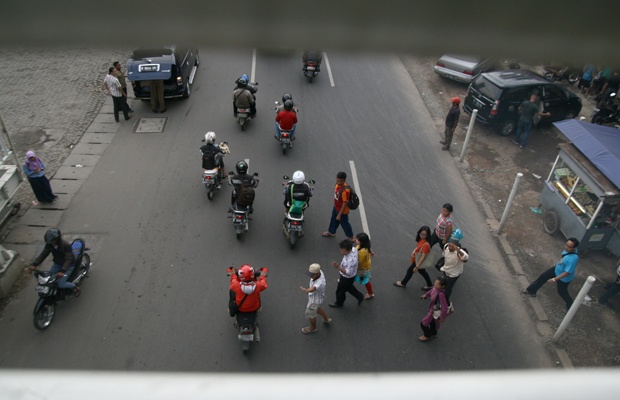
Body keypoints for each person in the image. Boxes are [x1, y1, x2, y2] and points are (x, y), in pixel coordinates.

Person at [521, 238, 580, 311]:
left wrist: (554, 279)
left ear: (574, 248)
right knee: (543, 277)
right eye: (566, 245)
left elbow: (567, 272)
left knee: (562, 292)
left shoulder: (572, 259)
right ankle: (531, 291)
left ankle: (570, 307)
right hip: (557, 269)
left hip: (563, 278)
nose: (566, 247)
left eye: (569, 246)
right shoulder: (569, 251)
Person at [27, 228, 79, 295]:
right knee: (49, 280)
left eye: (53, 240)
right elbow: (43, 254)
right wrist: (35, 264)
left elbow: (69, 259)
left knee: (61, 284)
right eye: (50, 241)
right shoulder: (49, 244)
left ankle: (74, 286)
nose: (52, 242)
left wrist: (62, 271)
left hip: (68, 266)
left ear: (58, 238)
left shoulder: (65, 245)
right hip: (57, 264)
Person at [394, 226, 434, 290]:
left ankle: (403, 283)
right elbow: (419, 247)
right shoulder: (422, 240)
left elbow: (423, 257)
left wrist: (416, 267)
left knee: (410, 271)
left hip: (418, 261)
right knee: (422, 272)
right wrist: (415, 250)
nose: (422, 236)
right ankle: (430, 285)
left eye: (424, 235)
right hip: (418, 259)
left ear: (427, 235)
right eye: (421, 234)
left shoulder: (426, 244)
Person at [329, 239, 364, 307]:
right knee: (349, 287)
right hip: (351, 275)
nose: (342, 252)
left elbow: (347, 272)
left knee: (340, 291)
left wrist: (338, 267)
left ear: (349, 250)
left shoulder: (351, 260)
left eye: (344, 251)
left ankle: (339, 303)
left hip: (347, 277)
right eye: (341, 250)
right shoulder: (353, 249)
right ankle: (360, 296)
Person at [299, 263, 332, 333]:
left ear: (317, 274)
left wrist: (306, 290)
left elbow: (314, 288)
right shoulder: (320, 271)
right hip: (319, 299)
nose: (310, 276)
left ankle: (313, 328)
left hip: (314, 301)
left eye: (312, 275)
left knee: (311, 314)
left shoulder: (320, 282)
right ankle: (327, 318)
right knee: (317, 308)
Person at [322, 172, 354, 241]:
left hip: (342, 211)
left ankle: (351, 236)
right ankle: (331, 232)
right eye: (338, 180)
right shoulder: (337, 184)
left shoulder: (345, 191)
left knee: (344, 223)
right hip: (336, 207)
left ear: (344, 180)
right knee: (333, 219)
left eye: (341, 181)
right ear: (336, 178)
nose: (339, 182)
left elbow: (345, 203)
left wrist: (339, 214)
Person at [438, 236, 469, 303]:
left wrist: (459, 251)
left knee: (448, 287)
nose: (450, 247)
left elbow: (465, 257)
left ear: (456, 247)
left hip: (454, 274)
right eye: (450, 245)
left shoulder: (459, 252)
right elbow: (444, 254)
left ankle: (446, 302)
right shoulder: (446, 246)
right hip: (446, 270)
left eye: (452, 246)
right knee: (444, 283)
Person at [419, 276, 449, 342]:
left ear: (443, 286)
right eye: (435, 283)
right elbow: (431, 291)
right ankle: (433, 333)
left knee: (423, 323)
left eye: (437, 285)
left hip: (434, 311)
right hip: (433, 309)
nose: (435, 285)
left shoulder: (441, 294)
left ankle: (427, 335)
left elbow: (444, 307)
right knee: (433, 322)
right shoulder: (435, 288)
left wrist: (442, 318)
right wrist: (426, 295)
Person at [355, 232, 375, 299]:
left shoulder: (362, 251)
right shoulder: (365, 246)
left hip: (362, 268)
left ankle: (370, 293)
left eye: (357, 239)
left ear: (362, 242)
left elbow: (359, 262)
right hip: (366, 265)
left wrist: (354, 267)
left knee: (365, 281)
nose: (356, 240)